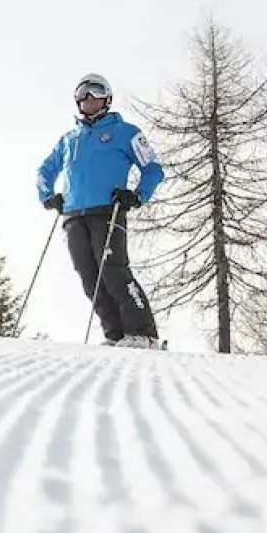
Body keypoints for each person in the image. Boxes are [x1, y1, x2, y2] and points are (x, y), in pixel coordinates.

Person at [36, 72, 165, 348]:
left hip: (108, 210)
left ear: (106, 98)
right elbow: (45, 170)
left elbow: (153, 167)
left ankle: (143, 333)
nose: (88, 98)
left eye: (94, 92)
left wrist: (137, 195)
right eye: (82, 94)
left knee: (114, 271)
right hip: (73, 215)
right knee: (89, 277)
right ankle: (115, 334)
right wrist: (48, 196)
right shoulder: (69, 139)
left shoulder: (125, 133)